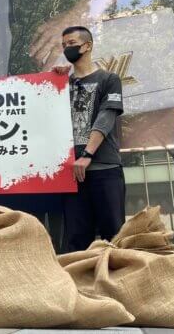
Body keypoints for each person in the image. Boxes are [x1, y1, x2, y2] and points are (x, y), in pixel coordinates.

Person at [54, 26, 125, 252]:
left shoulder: (109, 79)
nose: (67, 48)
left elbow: (107, 117)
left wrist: (87, 154)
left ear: (87, 45)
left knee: (113, 235)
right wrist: (52, 80)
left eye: (72, 43)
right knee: (76, 238)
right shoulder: (62, 84)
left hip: (104, 168)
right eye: (64, 45)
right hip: (71, 176)